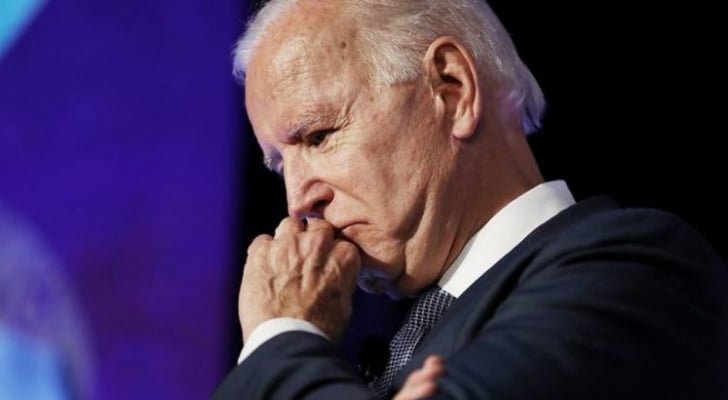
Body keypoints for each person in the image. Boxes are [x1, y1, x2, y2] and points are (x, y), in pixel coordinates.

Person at [213, 0, 728, 398]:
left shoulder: (639, 270)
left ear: (451, 89)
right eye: (279, 164)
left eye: (319, 136)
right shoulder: (405, 342)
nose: (297, 202)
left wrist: (281, 334)